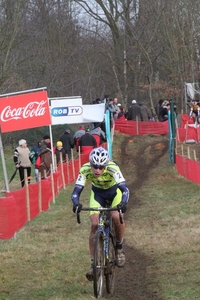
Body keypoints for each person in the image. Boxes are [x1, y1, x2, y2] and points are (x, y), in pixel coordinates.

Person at [71, 147, 129, 281]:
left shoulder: (113, 168)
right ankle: (93, 264)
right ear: (90, 164)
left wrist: (123, 203)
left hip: (115, 193)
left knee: (116, 216)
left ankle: (119, 247)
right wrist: (76, 203)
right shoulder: (85, 169)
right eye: (94, 166)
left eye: (100, 167)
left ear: (105, 165)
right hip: (98, 195)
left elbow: (124, 189)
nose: (97, 170)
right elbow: (77, 190)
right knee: (95, 224)